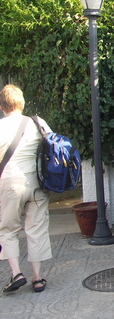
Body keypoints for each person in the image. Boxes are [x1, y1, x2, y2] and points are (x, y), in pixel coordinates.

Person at [0, 84, 52, 293]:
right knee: (36, 229)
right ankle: (37, 278)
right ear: (22, 103)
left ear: (2, 106)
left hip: (9, 184)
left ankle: (16, 273)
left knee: (8, 229)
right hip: (37, 183)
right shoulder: (36, 122)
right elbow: (51, 146)